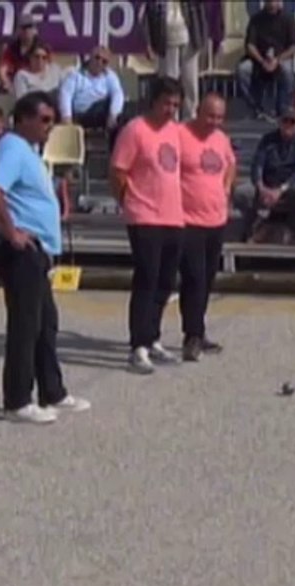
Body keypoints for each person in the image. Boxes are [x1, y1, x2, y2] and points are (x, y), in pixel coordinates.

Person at [0, 91, 90, 422]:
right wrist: (12, 232)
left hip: (36, 250)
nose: (49, 126)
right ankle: (17, 400)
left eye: (52, 121)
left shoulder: (26, 151)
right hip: (21, 250)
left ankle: (52, 391)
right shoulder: (13, 148)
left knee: (45, 323)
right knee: (25, 324)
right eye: (43, 120)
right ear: (22, 118)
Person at [111, 76, 187, 374]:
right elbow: (118, 171)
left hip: (174, 215)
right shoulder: (135, 130)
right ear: (153, 101)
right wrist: (128, 202)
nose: (171, 109)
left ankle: (153, 336)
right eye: (166, 103)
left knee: (166, 282)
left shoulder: (176, 132)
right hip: (144, 214)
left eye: (176, 105)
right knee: (146, 278)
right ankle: (137, 345)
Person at [176, 93, 235, 361]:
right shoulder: (180, 135)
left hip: (216, 219)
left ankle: (199, 329)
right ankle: (192, 335)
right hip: (188, 220)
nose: (214, 122)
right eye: (210, 115)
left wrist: (225, 188)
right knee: (194, 278)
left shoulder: (221, 139)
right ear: (198, 112)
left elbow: (231, 164)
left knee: (208, 279)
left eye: (220, 117)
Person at [242, 108, 295, 245]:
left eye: (292, 122)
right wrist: (261, 187)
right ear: (279, 123)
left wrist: (280, 190)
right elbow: (257, 164)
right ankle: (252, 229)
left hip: (288, 186)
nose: (288, 125)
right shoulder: (267, 140)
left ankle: (293, 229)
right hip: (267, 184)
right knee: (241, 193)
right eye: (285, 121)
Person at [143, 0, 210, 120]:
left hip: (190, 41)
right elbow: (146, 20)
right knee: (169, 84)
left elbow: (201, 16)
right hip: (165, 42)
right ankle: (170, 119)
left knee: (190, 83)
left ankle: (190, 118)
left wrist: (203, 41)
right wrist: (148, 44)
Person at [237, 0, 295, 121]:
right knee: (242, 70)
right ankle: (256, 107)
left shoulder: (288, 19)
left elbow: (294, 46)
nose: (272, 4)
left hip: (281, 58)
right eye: (269, 1)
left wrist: (277, 60)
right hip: (259, 59)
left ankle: (282, 109)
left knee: (287, 71)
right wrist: (261, 61)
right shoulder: (256, 20)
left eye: (274, 1)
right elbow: (250, 45)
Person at [58, 48, 126, 134]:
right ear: (90, 57)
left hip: (102, 115)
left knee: (122, 112)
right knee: (104, 105)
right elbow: (65, 94)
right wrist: (66, 117)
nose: (99, 62)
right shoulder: (75, 74)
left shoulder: (110, 76)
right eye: (97, 58)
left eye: (104, 61)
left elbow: (117, 93)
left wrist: (113, 115)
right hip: (81, 114)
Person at [0, 12, 48, 91]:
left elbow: (47, 71)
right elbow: (3, 70)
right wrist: (7, 82)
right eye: (24, 27)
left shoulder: (43, 48)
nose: (27, 30)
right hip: (14, 84)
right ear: (18, 30)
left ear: (35, 30)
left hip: (36, 85)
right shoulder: (12, 48)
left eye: (30, 27)